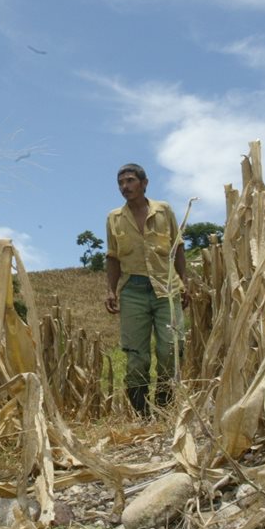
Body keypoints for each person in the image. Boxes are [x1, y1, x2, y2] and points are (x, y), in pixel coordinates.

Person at [104, 163, 189, 417]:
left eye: (130, 180)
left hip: (167, 289)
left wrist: (184, 282)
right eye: (121, 183)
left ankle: (164, 407)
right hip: (133, 290)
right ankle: (142, 415)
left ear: (144, 183)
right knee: (136, 356)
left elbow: (177, 248)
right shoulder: (114, 218)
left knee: (171, 349)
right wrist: (111, 290)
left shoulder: (164, 211)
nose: (125, 186)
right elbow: (113, 257)